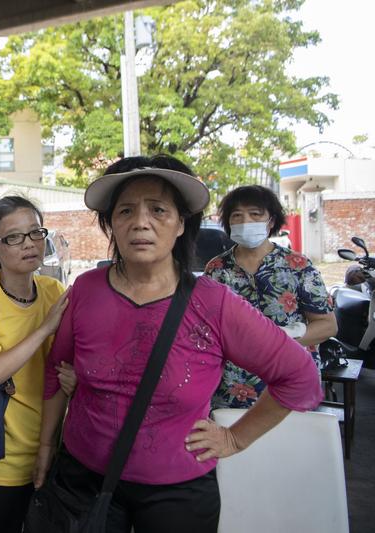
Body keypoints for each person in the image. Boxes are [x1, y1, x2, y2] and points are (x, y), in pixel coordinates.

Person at [34, 156, 323, 533]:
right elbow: (56, 374)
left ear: (181, 223)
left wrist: (235, 438)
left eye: (158, 209)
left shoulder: (213, 303)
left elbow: (299, 376)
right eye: (125, 211)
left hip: (178, 495)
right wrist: (45, 448)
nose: (141, 222)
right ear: (112, 224)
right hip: (83, 483)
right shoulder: (86, 291)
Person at [0, 196, 74, 533]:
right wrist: (45, 328)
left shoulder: (54, 291)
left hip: (56, 453)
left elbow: (71, 360)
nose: (29, 244)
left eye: (35, 233)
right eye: (13, 237)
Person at [204, 185, 336, 408]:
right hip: (232, 388)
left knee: (294, 442)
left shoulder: (298, 265)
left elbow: (327, 326)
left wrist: (281, 339)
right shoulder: (216, 269)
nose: (246, 221)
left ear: (271, 221)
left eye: (255, 214)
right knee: (231, 442)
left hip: (290, 380)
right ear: (228, 222)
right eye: (237, 215)